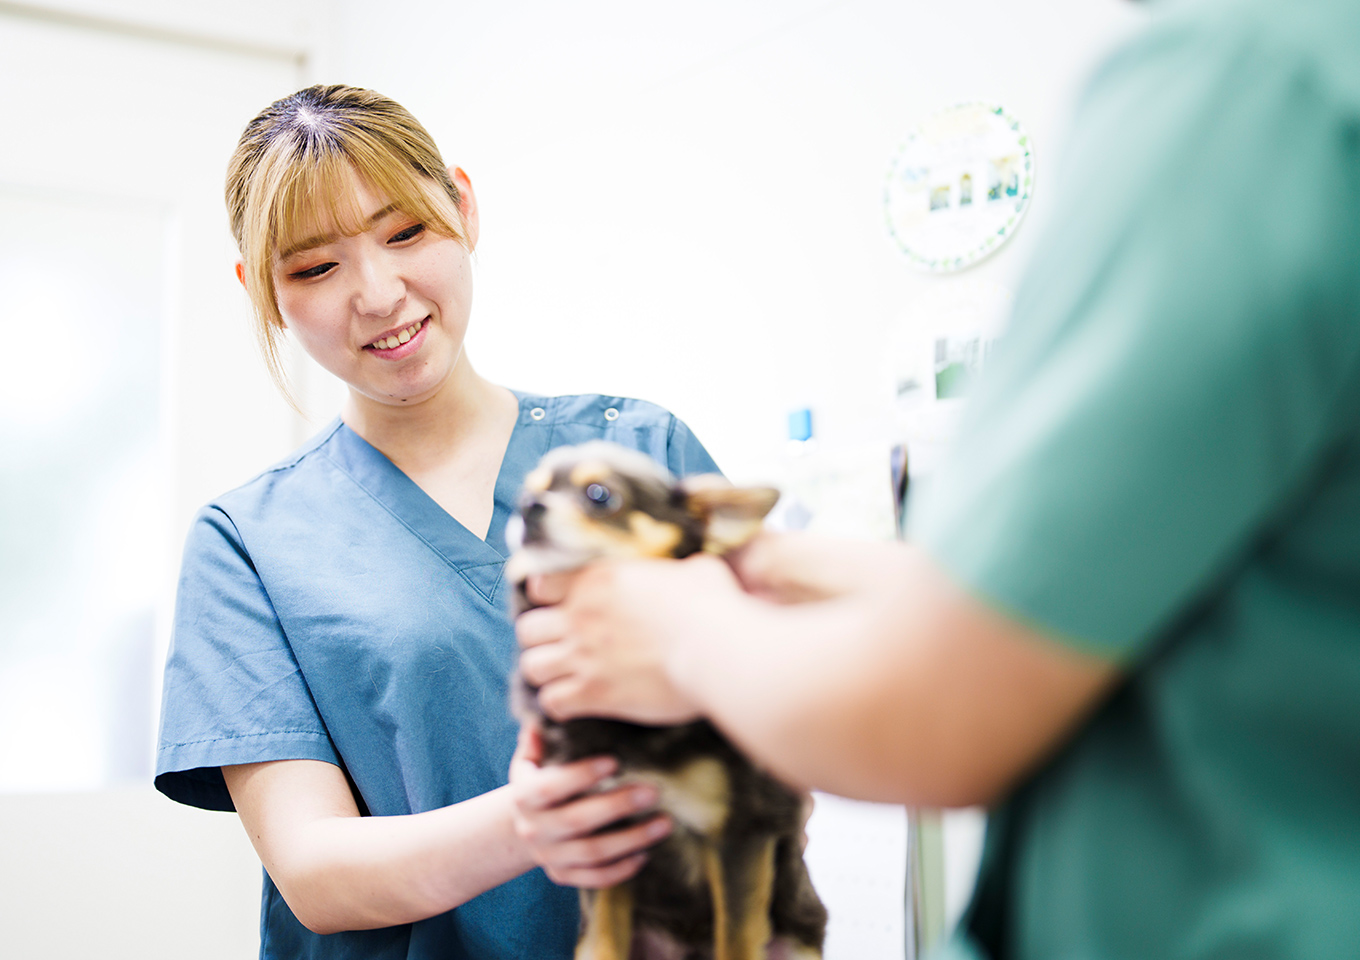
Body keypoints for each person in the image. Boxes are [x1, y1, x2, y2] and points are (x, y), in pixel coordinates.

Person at [508, 0, 1360, 957]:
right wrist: (786, 572)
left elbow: (934, 714)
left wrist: (681, 632)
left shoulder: (1251, 81)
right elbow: (1149, 602)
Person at [153, 84, 720, 960]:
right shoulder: (248, 543)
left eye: (405, 232)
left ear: (463, 205)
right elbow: (316, 874)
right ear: (262, 291)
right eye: (314, 268)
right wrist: (536, 820)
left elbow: (766, 738)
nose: (379, 294)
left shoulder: (640, 451)